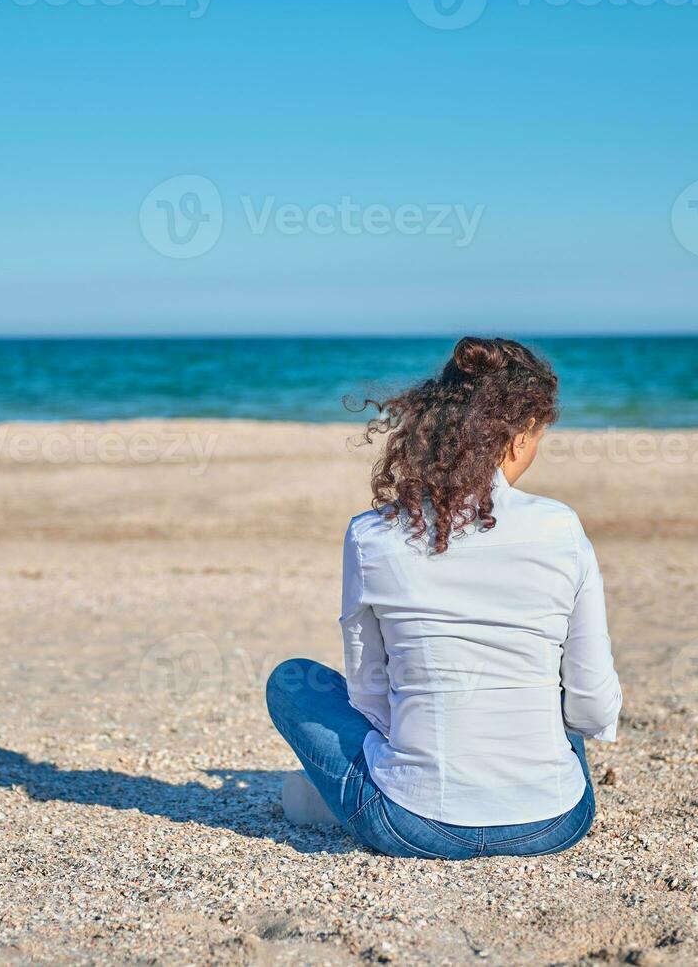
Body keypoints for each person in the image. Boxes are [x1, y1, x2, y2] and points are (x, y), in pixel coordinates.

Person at [265, 336, 621, 859]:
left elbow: (369, 696)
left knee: (291, 682)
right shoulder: (561, 528)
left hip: (411, 822)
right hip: (554, 820)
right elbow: (591, 708)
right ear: (520, 437)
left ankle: (330, 797)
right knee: (555, 698)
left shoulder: (371, 535)